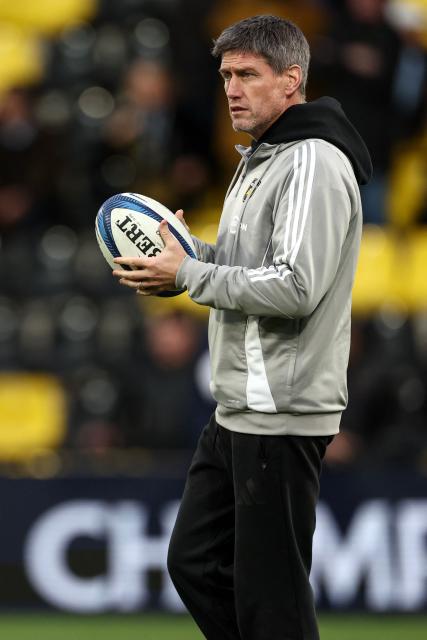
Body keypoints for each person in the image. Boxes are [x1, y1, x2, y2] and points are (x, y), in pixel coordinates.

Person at [112, 14, 372, 640]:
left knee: (272, 603)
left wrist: (187, 277)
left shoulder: (310, 160)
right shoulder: (262, 158)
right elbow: (248, 268)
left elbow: (295, 286)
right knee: (195, 565)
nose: (231, 88)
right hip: (238, 408)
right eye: (227, 75)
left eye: (248, 75)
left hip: (278, 410)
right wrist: (185, 251)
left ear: (291, 81)